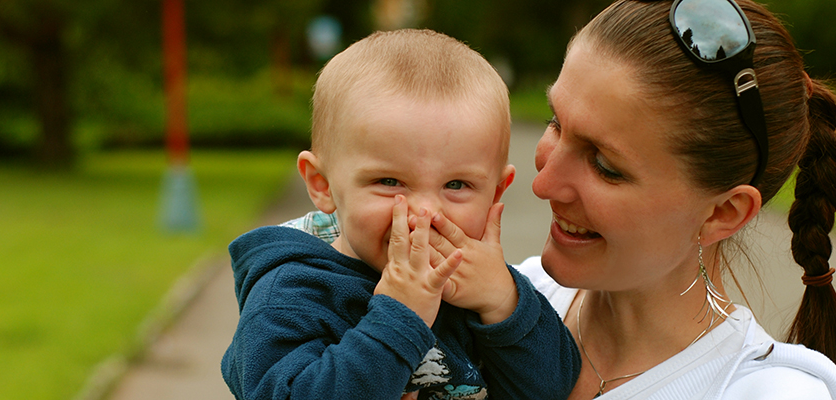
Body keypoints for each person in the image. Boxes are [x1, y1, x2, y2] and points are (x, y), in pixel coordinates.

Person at [491, 0, 836, 398]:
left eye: (605, 165)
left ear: (722, 213)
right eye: (556, 123)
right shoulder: (500, 303)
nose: (543, 184)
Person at [222, 29, 581, 400]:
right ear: (322, 185)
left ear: (495, 193)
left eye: (456, 185)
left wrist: (505, 305)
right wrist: (398, 318)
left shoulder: (481, 287)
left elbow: (553, 388)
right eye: (389, 181)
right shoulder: (290, 294)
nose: (424, 212)